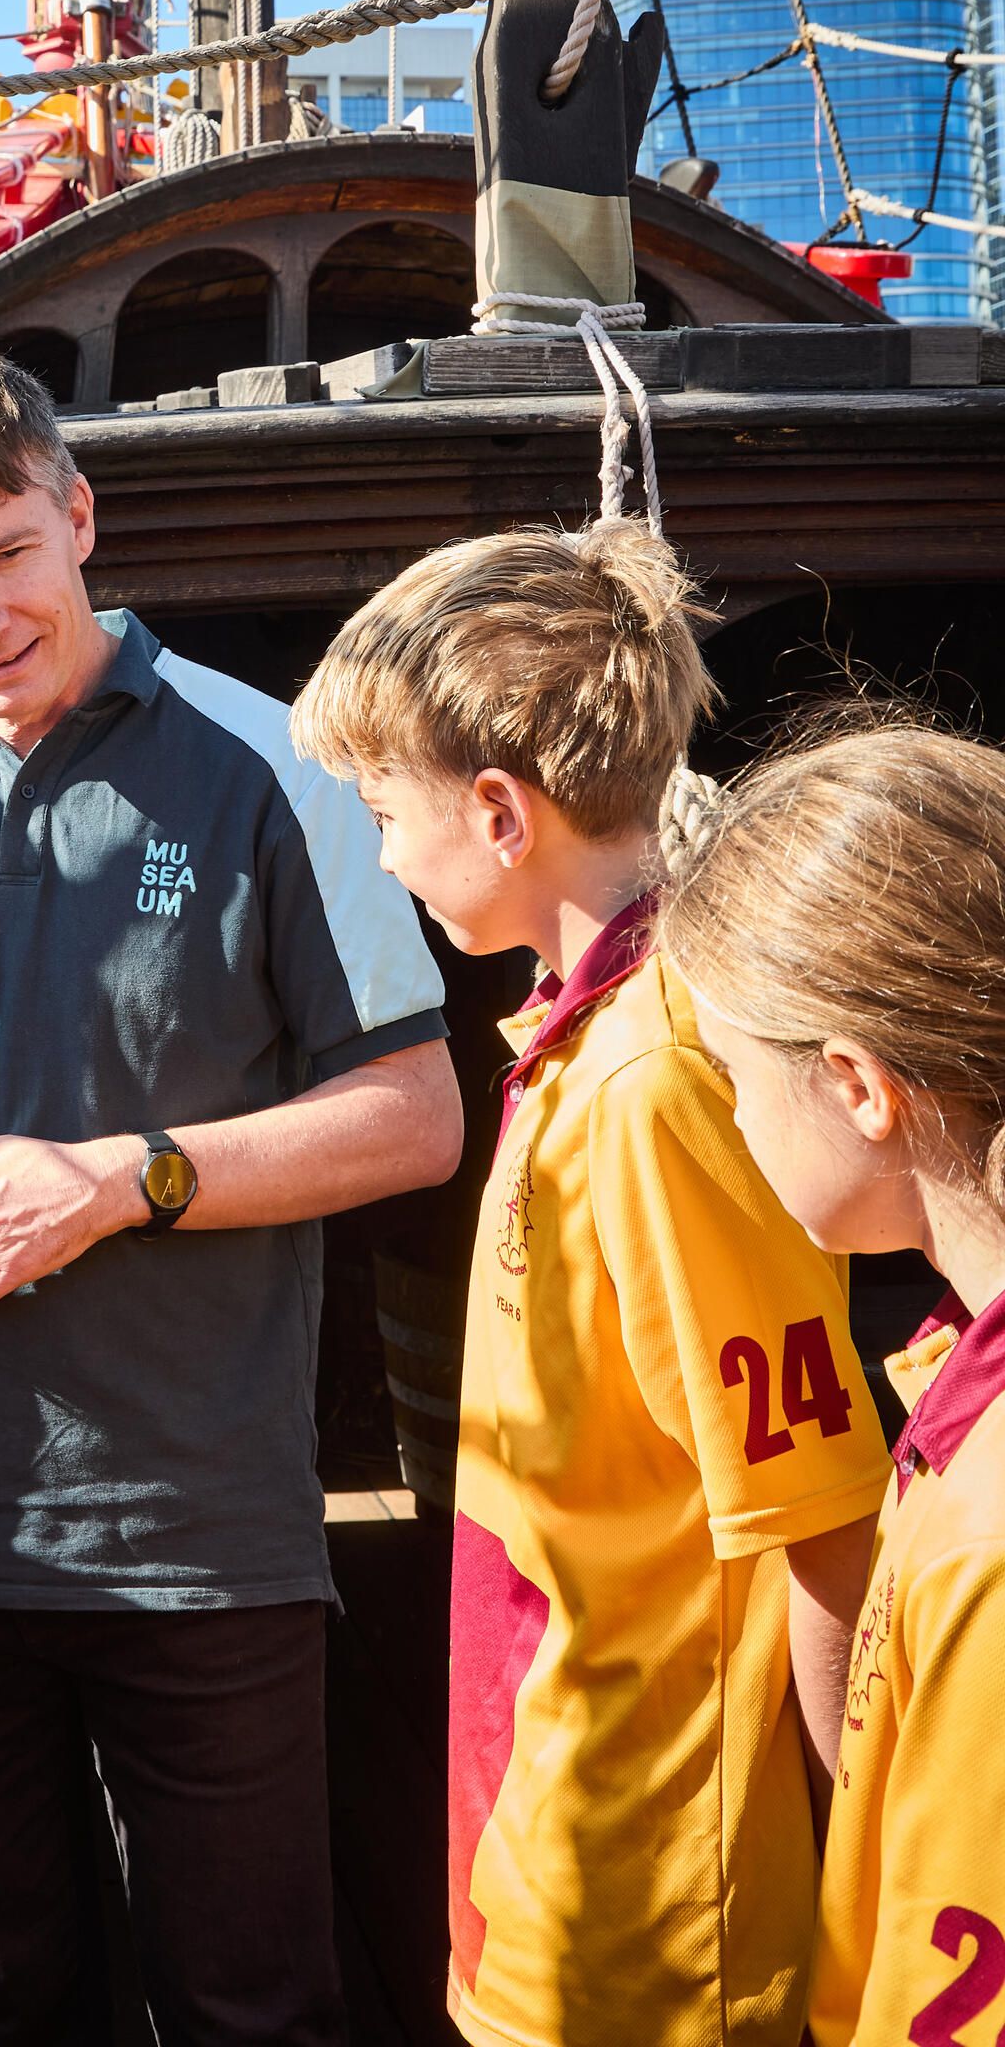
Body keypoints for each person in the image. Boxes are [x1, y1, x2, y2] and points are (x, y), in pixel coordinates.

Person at [0, 335, 460, 2047]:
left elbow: (413, 1116)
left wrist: (120, 1179)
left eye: (9, 552)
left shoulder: (279, 766)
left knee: (251, 2010)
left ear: (81, 514)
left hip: (200, 1539)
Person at [292, 522, 891, 2047]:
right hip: (554, 1852)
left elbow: (818, 1522)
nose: (378, 855)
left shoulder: (658, 1084)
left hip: (653, 1918)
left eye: (381, 813)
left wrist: (874, 1911)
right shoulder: (587, 1048)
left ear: (499, 813)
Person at [659, 722, 1005, 2047]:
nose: (736, 1124)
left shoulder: (990, 1532)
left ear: (857, 1086)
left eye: (738, 1081)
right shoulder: (953, 1383)